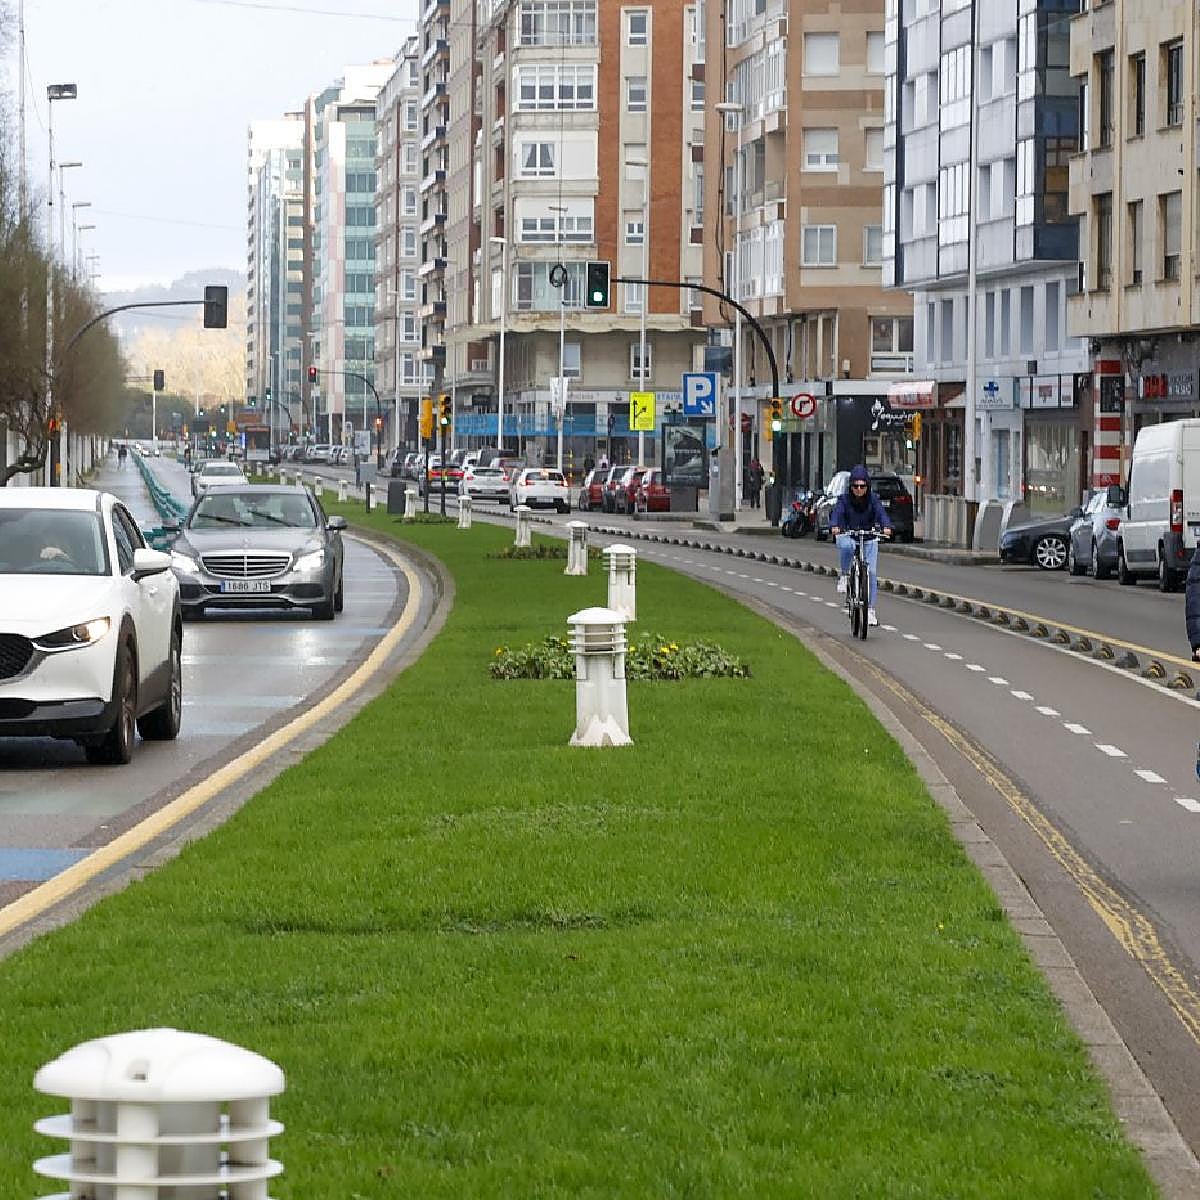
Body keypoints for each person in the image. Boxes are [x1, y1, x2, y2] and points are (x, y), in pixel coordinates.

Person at [830, 465, 893, 627]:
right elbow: (837, 513)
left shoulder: (873, 499)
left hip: (868, 537)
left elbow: (882, 514)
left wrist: (886, 527)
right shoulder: (844, 500)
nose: (859, 490)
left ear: (867, 486)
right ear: (850, 486)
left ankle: (870, 610)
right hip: (848, 535)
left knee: (871, 572)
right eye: (855, 486)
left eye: (862, 486)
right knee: (847, 547)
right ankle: (844, 576)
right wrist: (835, 526)